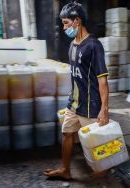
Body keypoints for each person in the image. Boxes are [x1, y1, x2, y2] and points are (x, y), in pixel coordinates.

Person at [43, 2, 109, 179]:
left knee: (96, 144)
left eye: (66, 23)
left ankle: (102, 176)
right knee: (66, 133)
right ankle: (65, 170)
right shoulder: (72, 45)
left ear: (77, 21)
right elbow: (76, 76)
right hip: (74, 103)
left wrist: (104, 109)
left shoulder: (94, 46)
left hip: (91, 105)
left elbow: (102, 80)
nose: (64, 27)